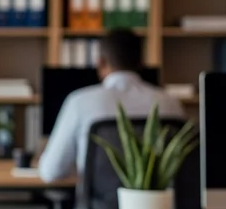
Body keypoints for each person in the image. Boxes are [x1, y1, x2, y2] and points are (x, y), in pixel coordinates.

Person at [38, 28, 185, 182]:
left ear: (100, 62)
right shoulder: (170, 103)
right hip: (153, 205)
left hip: (99, 205)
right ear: (141, 63)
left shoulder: (79, 102)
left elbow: (50, 172)